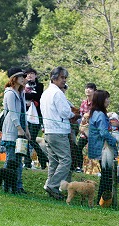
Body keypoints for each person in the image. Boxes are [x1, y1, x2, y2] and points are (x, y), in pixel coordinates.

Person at [40, 66, 76, 200]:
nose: (64, 80)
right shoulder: (57, 93)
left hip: (48, 131)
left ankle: (50, 186)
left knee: (54, 161)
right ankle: (52, 184)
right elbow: (65, 112)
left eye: (65, 78)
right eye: (62, 77)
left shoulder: (46, 93)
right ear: (54, 78)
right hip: (58, 130)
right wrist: (74, 114)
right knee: (66, 160)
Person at [0, 67, 29, 194]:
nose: (24, 79)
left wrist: (26, 128)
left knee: (19, 159)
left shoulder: (21, 92)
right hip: (12, 130)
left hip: (22, 128)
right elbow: (12, 113)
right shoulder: (10, 93)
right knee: (11, 159)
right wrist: (19, 128)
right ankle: (7, 185)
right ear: (15, 78)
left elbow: (23, 112)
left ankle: (18, 185)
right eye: (21, 77)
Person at [88, 90, 119, 204]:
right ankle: (101, 201)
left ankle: (103, 201)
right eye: (106, 98)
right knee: (107, 176)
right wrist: (114, 140)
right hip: (103, 148)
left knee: (106, 175)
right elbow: (103, 132)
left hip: (98, 147)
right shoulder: (101, 115)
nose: (108, 101)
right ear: (101, 100)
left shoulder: (95, 113)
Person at [22, 67, 47, 169]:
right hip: (25, 115)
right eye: (28, 74)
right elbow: (24, 96)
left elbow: (38, 97)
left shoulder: (40, 85)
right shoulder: (22, 85)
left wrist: (28, 95)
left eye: (32, 73)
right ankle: (27, 162)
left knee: (31, 139)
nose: (30, 75)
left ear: (35, 75)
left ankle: (42, 158)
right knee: (25, 138)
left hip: (36, 116)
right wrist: (30, 95)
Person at [74, 82, 96, 173]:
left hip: (94, 131)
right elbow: (81, 116)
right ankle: (79, 167)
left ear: (95, 91)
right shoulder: (83, 103)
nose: (88, 90)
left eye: (90, 88)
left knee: (97, 150)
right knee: (78, 147)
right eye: (87, 88)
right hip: (84, 131)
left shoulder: (97, 103)